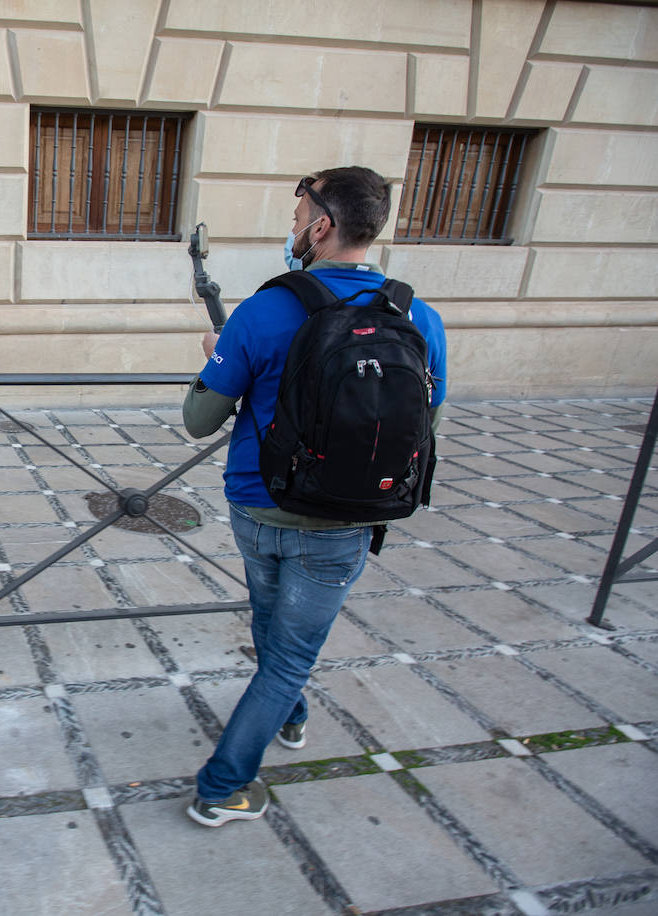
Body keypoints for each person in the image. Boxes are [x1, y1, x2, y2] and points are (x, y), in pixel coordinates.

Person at [180, 166, 448, 826]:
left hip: (259, 505)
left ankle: (240, 764)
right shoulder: (417, 313)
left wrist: (215, 356)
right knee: (289, 645)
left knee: (279, 638)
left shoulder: (267, 309)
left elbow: (199, 419)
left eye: (298, 216)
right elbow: (426, 421)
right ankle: (260, 745)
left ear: (323, 227)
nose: (293, 229)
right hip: (345, 521)